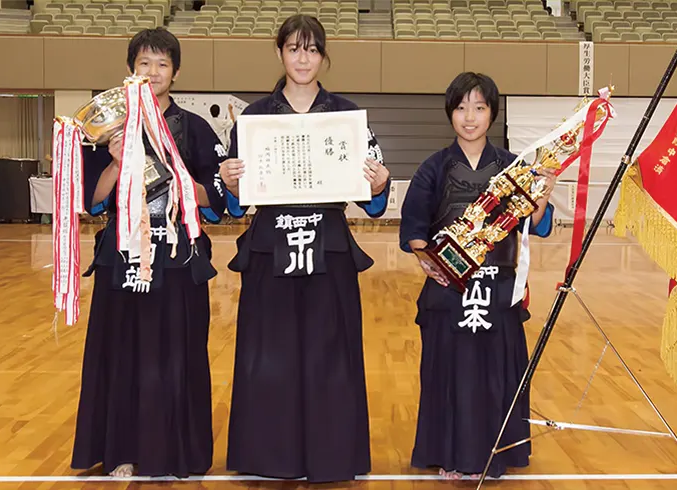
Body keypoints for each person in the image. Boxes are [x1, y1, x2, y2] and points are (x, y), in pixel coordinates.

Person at [218, 14, 391, 483]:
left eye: (312, 49)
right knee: (267, 355)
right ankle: (269, 458)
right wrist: (230, 181)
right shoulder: (253, 118)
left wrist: (380, 182)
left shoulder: (347, 116)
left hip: (329, 249)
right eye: (294, 48)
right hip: (271, 247)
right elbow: (235, 205)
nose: (302, 58)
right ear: (279, 53)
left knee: (330, 355)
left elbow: (374, 205)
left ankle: (332, 457)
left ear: (323, 57)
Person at [71, 27, 227, 480]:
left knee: (179, 355)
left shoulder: (194, 129)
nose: (153, 72)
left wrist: (179, 175)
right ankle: (122, 449)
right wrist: (119, 161)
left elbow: (215, 202)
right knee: (122, 354)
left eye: (162, 64)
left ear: (176, 72)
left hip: (179, 259)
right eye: (144, 63)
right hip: (122, 256)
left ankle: (180, 453)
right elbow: (91, 199)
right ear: (130, 71)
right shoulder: (108, 129)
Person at [398, 72, 556, 480]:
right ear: (450, 112)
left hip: (499, 289)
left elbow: (535, 225)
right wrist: (424, 258)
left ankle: (495, 455)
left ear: (492, 114)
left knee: (495, 374)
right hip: (449, 290)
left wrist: (542, 197)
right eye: (462, 107)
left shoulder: (512, 168)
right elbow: (413, 228)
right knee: (449, 374)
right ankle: (450, 455)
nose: (470, 117)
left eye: (480, 107)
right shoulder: (433, 167)